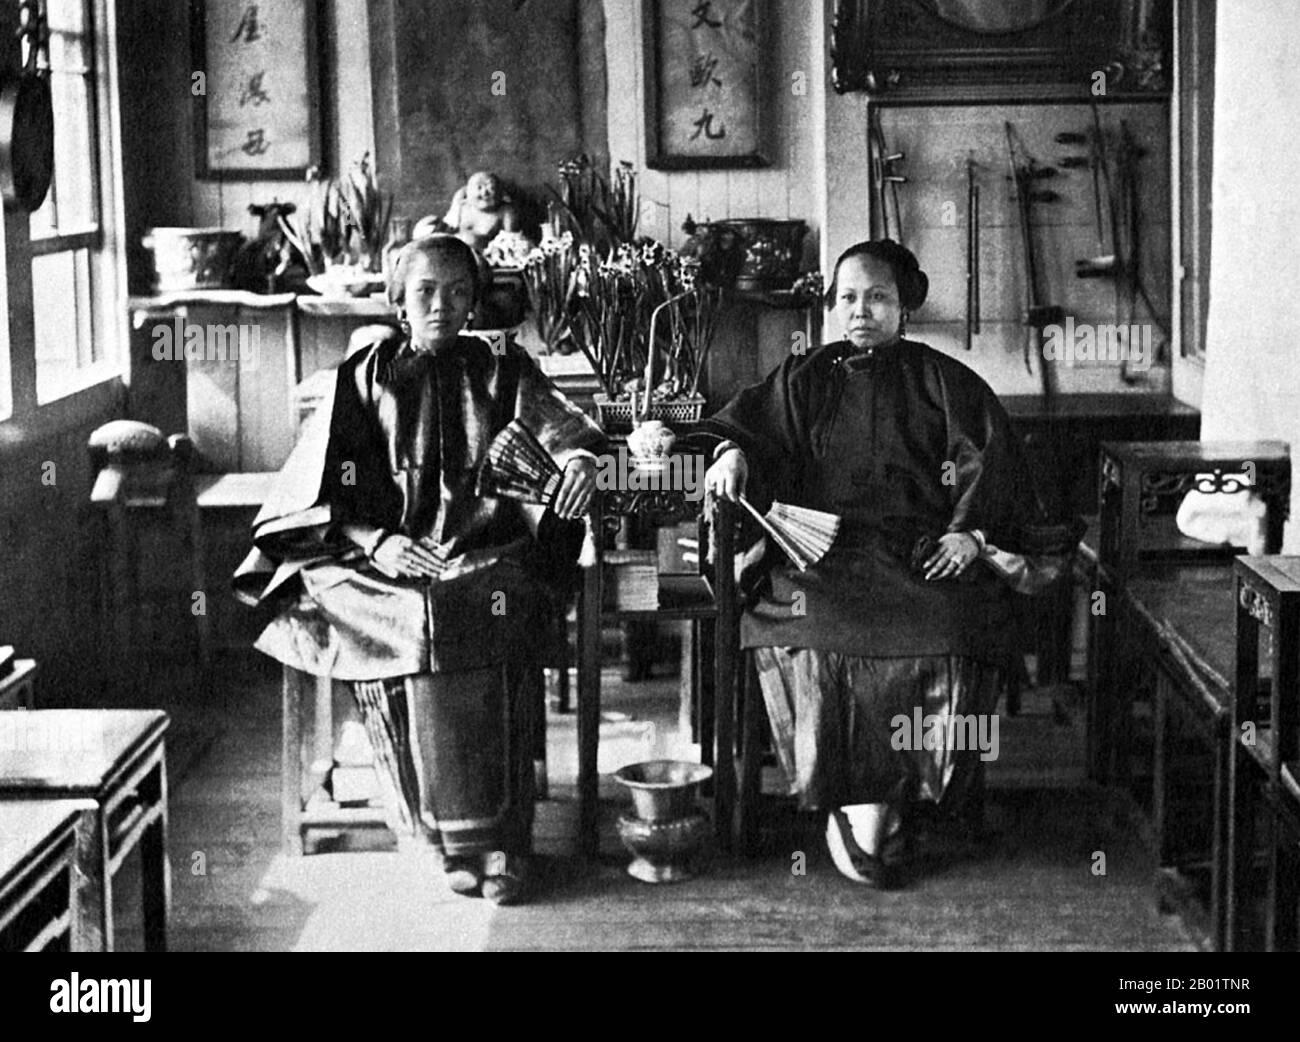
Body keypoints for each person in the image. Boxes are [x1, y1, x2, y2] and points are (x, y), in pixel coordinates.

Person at [235, 234, 604, 905]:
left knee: (495, 599)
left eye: (459, 292)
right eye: (426, 293)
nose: (443, 306)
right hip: (380, 566)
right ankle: (432, 837)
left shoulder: (502, 368)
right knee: (400, 612)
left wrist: (579, 463)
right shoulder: (365, 374)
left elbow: (567, 433)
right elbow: (315, 490)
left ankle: (506, 839)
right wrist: (376, 542)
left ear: (476, 300)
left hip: (485, 553)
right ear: (399, 300)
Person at [701, 239, 1054, 888]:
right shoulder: (804, 377)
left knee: (950, 621)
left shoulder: (944, 382)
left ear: (905, 305)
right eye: (848, 298)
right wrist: (732, 455)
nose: (860, 310)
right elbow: (744, 430)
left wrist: (971, 536)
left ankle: (903, 794)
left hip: (919, 556)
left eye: (877, 296)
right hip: (820, 557)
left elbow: (993, 469)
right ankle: (856, 803)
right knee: (814, 626)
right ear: (832, 306)